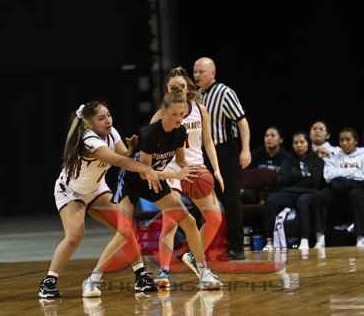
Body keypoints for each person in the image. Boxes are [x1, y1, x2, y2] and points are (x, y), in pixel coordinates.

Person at [81, 93, 223, 293]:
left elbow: (181, 161)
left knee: (189, 222)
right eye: (174, 114)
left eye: (182, 114)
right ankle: (93, 279)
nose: (179, 118)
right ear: (163, 112)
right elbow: (145, 171)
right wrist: (175, 174)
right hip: (132, 180)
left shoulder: (180, 131)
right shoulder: (149, 134)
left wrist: (193, 172)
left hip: (155, 181)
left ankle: (204, 273)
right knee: (124, 232)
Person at [38, 101, 164, 299]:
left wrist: (131, 149)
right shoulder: (88, 140)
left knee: (125, 228)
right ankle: (48, 282)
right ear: (89, 123)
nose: (108, 120)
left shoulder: (111, 132)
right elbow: (118, 161)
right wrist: (146, 169)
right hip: (71, 192)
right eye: (101, 118)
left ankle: (141, 276)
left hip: (96, 189)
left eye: (108, 115)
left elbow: (123, 154)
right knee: (74, 236)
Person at [150, 67, 224, 288]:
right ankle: (164, 271)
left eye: (181, 86)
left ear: (188, 87)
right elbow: (149, 147)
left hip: (196, 171)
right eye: (173, 87)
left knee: (215, 218)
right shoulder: (161, 115)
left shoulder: (200, 110)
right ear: (167, 90)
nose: (178, 90)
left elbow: (208, 141)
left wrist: (216, 170)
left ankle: (193, 255)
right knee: (170, 221)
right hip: (172, 171)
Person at [193, 56, 251, 260]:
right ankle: (201, 248)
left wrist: (246, 150)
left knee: (231, 200)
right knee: (201, 202)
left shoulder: (225, 93)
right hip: (203, 154)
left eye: (201, 71)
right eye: (195, 71)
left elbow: (242, 122)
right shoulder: (196, 96)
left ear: (212, 73)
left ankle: (237, 248)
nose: (196, 75)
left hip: (226, 152)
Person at [262, 132, 324, 252]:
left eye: (302, 142)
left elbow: (315, 182)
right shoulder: (288, 160)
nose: (299, 145)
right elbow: (283, 180)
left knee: (303, 201)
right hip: (290, 192)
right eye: (296, 143)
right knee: (271, 201)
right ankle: (270, 241)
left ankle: (305, 239)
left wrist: (295, 177)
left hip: (310, 193)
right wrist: (301, 178)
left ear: (308, 143)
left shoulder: (317, 160)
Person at [314, 127, 364, 248]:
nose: (344, 143)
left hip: (357, 189)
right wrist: (354, 172)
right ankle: (320, 238)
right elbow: (328, 176)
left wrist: (341, 174)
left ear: (355, 141)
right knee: (320, 196)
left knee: (356, 194)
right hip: (338, 190)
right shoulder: (334, 155)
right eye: (341, 140)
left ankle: (361, 237)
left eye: (348, 139)